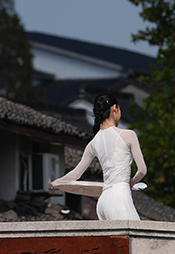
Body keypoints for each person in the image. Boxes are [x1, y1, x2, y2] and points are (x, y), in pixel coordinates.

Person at [51, 92, 147, 220]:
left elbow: (75, 175)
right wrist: (130, 183)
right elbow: (142, 170)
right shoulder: (128, 135)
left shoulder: (93, 143)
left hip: (103, 201)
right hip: (119, 197)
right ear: (114, 108)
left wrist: (58, 182)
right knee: (135, 232)